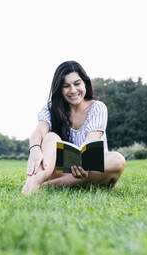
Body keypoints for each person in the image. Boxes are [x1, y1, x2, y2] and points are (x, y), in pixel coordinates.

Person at [22, 61, 126, 195]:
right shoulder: (51, 108)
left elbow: (92, 139)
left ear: (85, 83)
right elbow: (40, 130)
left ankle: (48, 186)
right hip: (61, 171)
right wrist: (35, 148)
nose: (73, 90)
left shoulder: (97, 107)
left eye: (77, 84)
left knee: (117, 160)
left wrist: (85, 163)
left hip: (91, 170)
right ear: (59, 89)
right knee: (50, 137)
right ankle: (33, 184)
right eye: (66, 86)